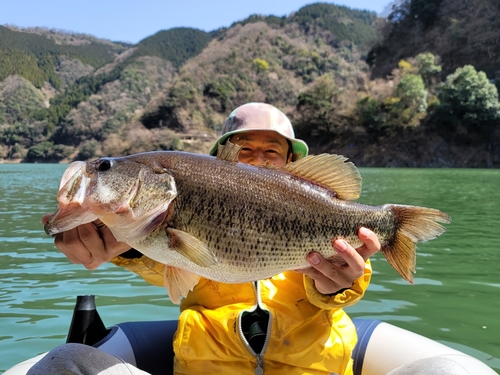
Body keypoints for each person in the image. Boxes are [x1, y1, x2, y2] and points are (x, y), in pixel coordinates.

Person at [33, 103, 381, 375]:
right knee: (63, 362)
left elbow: (349, 282)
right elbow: (164, 265)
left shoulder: (320, 216)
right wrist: (117, 243)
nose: (258, 160)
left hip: (312, 369)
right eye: (244, 150)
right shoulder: (161, 219)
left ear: (292, 161)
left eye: (271, 151)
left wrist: (335, 286)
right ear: (219, 161)